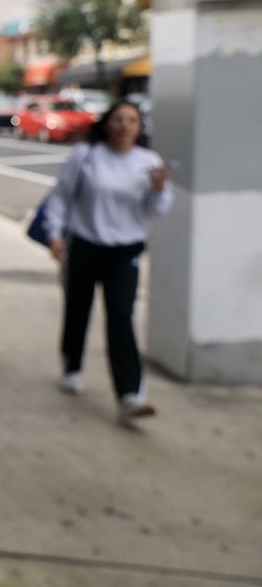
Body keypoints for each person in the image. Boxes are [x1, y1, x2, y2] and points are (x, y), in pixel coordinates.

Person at [42, 102, 171, 420]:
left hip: (124, 251)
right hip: (84, 245)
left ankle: (129, 394)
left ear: (139, 128)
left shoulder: (148, 161)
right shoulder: (87, 155)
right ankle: (72, 367)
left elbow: (157, 209)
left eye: (132, 120)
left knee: (121, 316)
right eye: (119, 119)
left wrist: (158, 189)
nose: (125, 125)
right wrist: (55, 234)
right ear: (106, 124)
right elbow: (60, 196)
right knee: (77, 308)